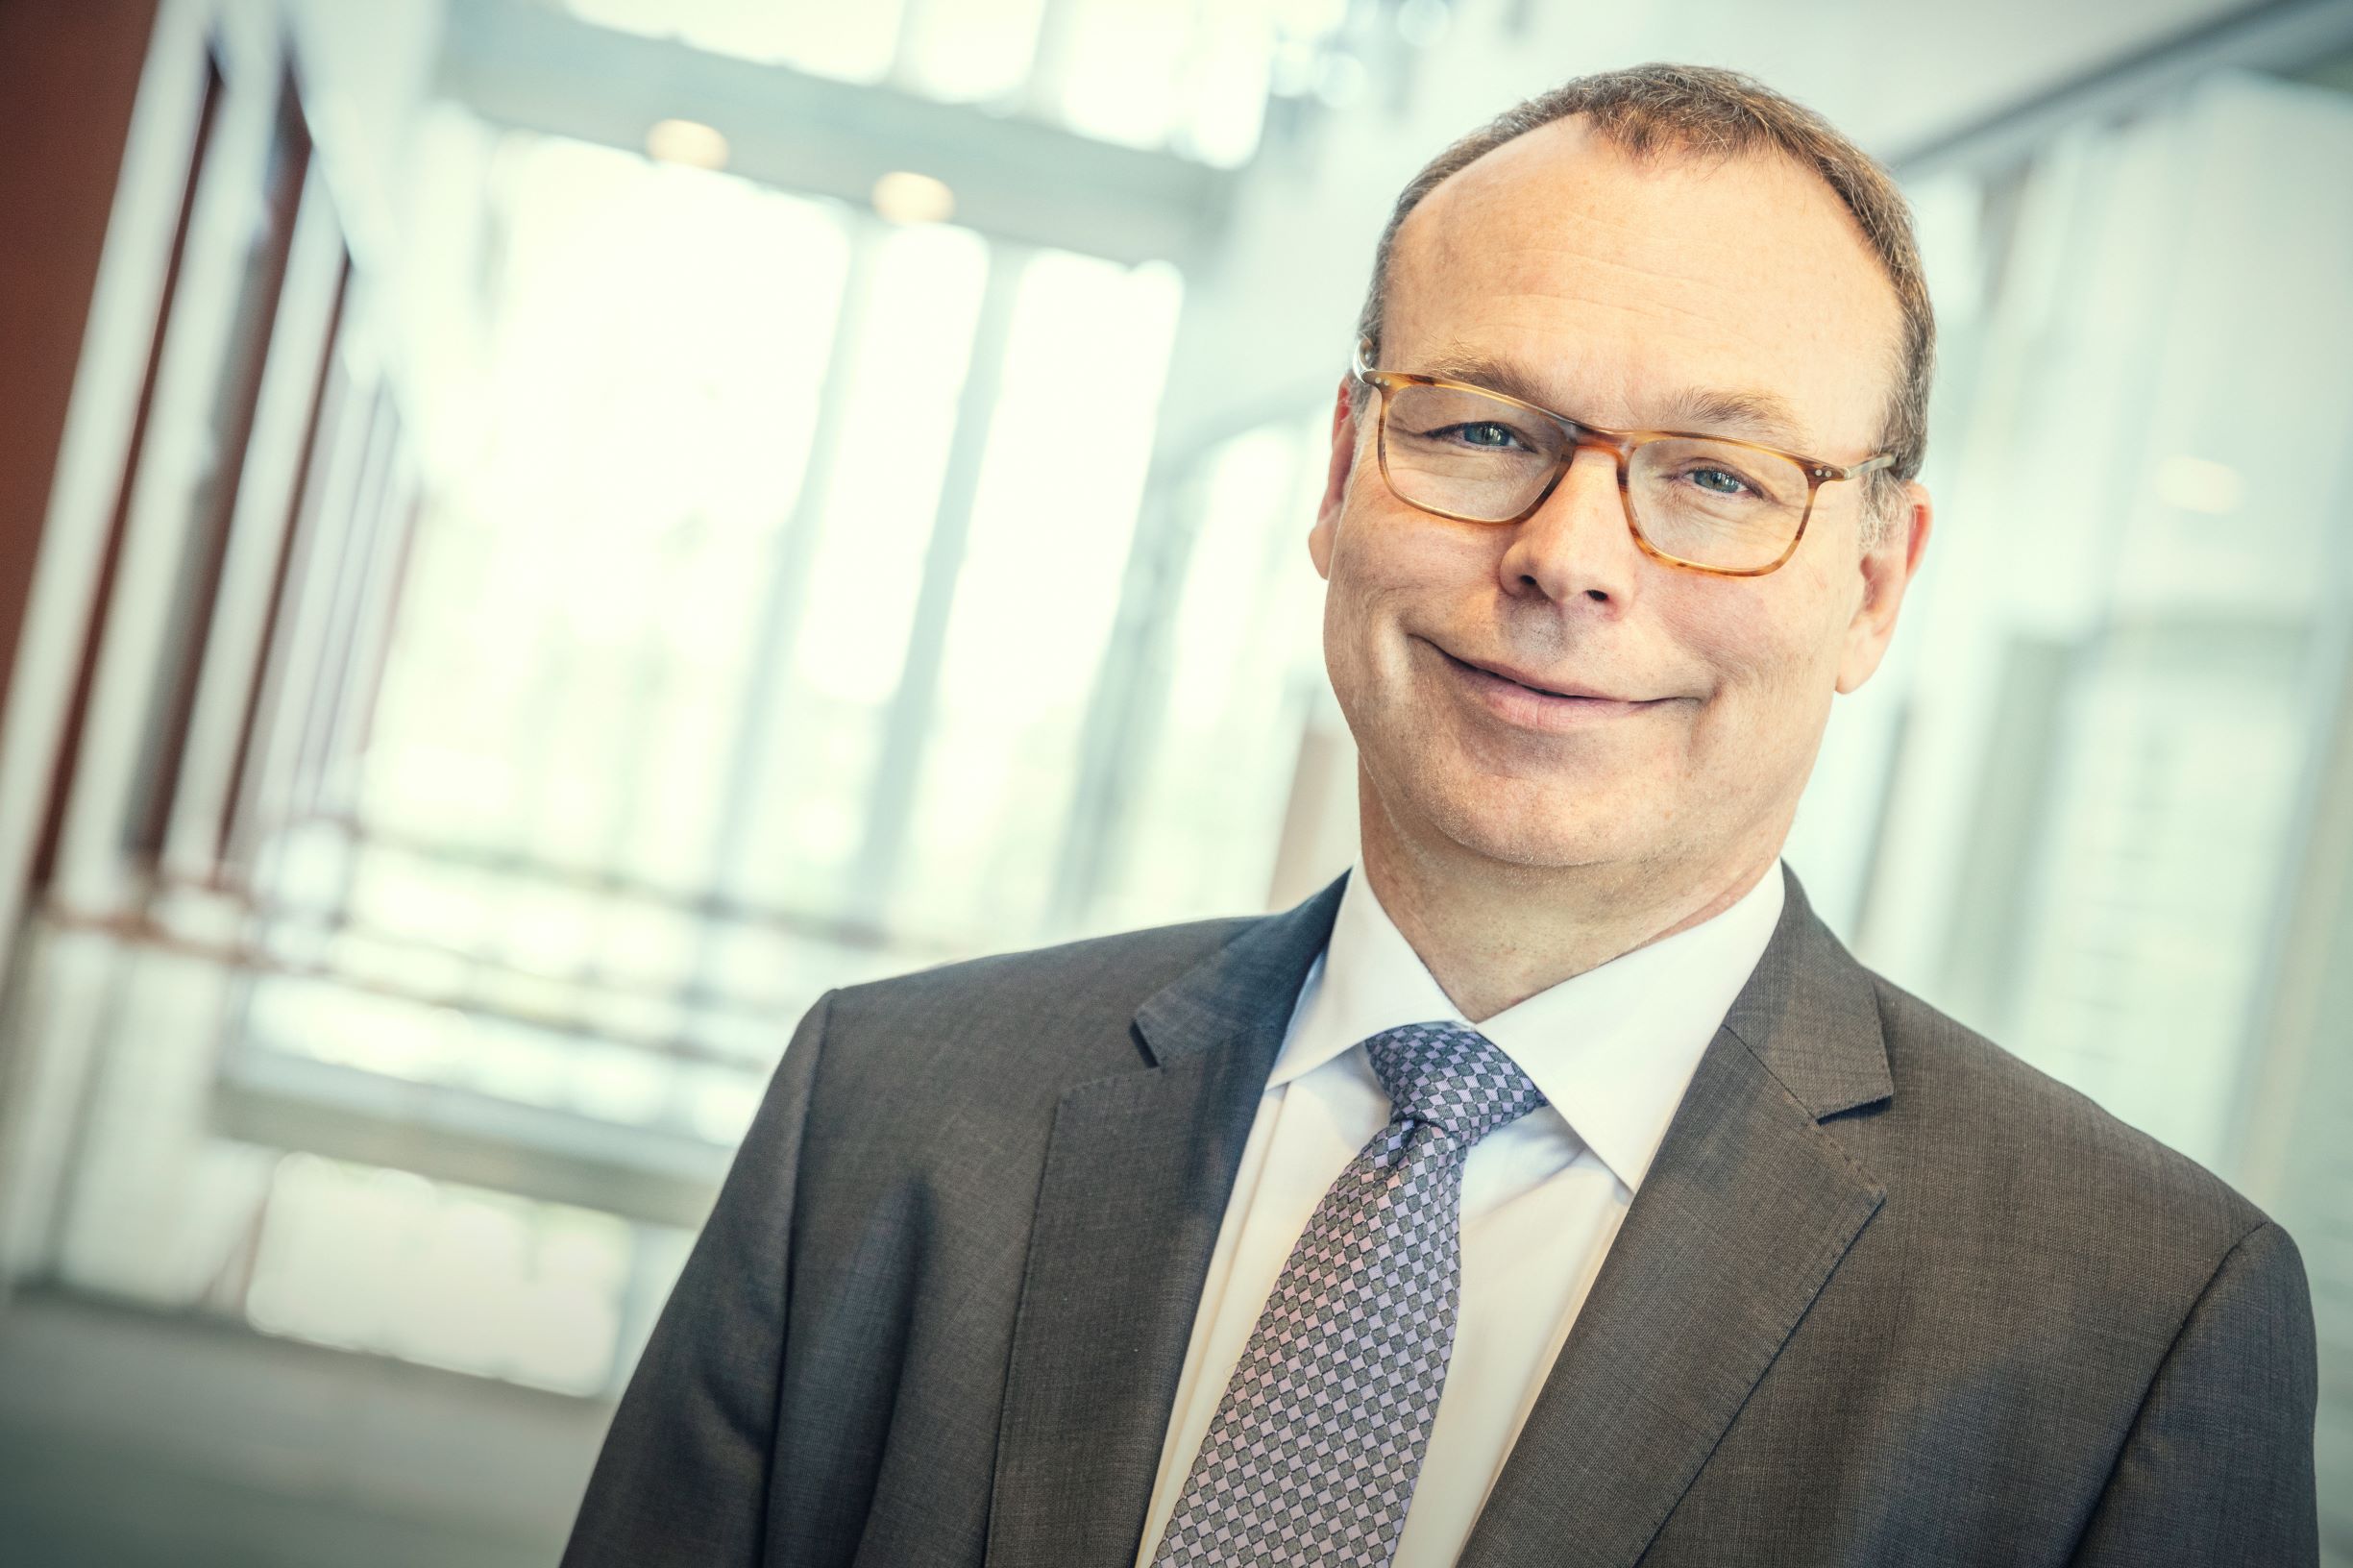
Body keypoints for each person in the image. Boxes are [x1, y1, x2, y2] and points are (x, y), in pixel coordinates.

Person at [560, 62, 2318, 1568]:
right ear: (1340, 478)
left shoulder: (2129, 1329)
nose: (1566, 557)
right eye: (1483, 431)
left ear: (1873, 583)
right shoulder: (886, 1118)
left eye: (1716, 476)